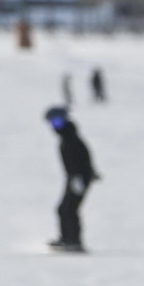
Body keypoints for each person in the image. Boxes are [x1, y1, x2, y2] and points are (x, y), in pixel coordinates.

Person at [45, 107, 100, 252]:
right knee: (64, 209)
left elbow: (83, 157)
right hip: (75, 179)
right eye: (53, 123)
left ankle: (73, 241)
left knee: (68, 209)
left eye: (58, 122)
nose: (56, 126)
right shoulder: (67, 137)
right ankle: (67, 239)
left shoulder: (71, 138)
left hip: (79, 179)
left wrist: (82, 176)